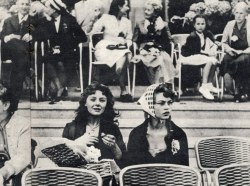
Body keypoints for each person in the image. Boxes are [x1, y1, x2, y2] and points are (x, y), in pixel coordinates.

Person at [62, 82, 126, 165]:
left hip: (105, 176)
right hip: (78, 176)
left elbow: (122, 159)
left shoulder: (112, 128)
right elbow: (63, 160)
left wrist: (114, 146)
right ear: (85, 103)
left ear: (106, 104)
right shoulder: (71, 128)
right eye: (93, 100)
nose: (97, 104)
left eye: (102, 100)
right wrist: (78, 143)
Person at [125, 83, 188, 166]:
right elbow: (130, 169)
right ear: (150, 105)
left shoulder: (178, 134)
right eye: (161, 103)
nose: (167, 107)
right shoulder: (137, 134)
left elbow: (185, 170)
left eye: (169, 103)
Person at [41, 0, 87, 104]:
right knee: (47, 61)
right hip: (54, 51)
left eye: (48, 7)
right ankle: (60, 86)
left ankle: (58, 90)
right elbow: (35, 31)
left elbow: (82, 37)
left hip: (68, 51)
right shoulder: (47, 21)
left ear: (54, 8)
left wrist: (67, 44)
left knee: (60, 63)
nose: (45, 9)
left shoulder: (69, 20)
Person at [88, 0, 133, 102]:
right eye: (126, 6)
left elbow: (129, 37)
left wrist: (127, 43)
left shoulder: (127, 22)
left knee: (124, 52)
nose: (128, 8)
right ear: (119, 7)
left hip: (120, 48)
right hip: (105, 47)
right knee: (123, 55)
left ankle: (118, 70)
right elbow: (92, 32)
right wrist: (94, 18)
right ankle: (123, 89)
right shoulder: (106, 18)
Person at [131, 0, 177, 84]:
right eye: (145, 9)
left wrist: (159, 46)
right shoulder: (140, 23)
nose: (145, 12)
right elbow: (134, 40)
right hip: (144, 50)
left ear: (155, 13)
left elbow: (169, 40)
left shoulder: (163, 24)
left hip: (158, 49)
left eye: (148, 10)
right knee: (156, 59)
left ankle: (160, 85)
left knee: (163, 59)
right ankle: (156, 85)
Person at [1, 0, 32, 113]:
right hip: (10, 52)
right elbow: (2, 35)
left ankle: (13, 101)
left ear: (29, 6)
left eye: (27, 4)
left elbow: (41, 33)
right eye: (22, 4)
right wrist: (8, 37)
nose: (24, 6)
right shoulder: (9, 20)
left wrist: (32, 35)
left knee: (20, 62)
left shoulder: (33, 21)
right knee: (16, 45)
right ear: (17, 6)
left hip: (27, 52)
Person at [180, 14, 219, 100]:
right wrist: (208, 54)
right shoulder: (192, 36)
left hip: (200, 56)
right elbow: (195, 51)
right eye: (198, 24)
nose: (200, 26)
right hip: (190, 56)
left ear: (205, 24)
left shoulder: (206, 34)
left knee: (214, 61)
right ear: (194, 25)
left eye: (202, 24)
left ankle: (209, 84)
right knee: (209, 60)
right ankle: (204, 86)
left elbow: (211, 43)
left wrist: (216, 44)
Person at [0, 82, 31, 185]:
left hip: (14, 175)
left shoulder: (22, 124)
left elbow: (23, 157)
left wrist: (3, 174)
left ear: (6, 105)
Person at [220, 2, 250, 102]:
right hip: (233, 53)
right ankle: (232, 86)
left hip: (247, 53)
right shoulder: (230, 24)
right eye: (236, 13)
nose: (238, 15)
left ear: (246, 14)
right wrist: (229, 50)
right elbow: (223, 42)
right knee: (226, 58)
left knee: (242, 60)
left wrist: (243, 52)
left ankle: (237, 89)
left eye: (241, 13)